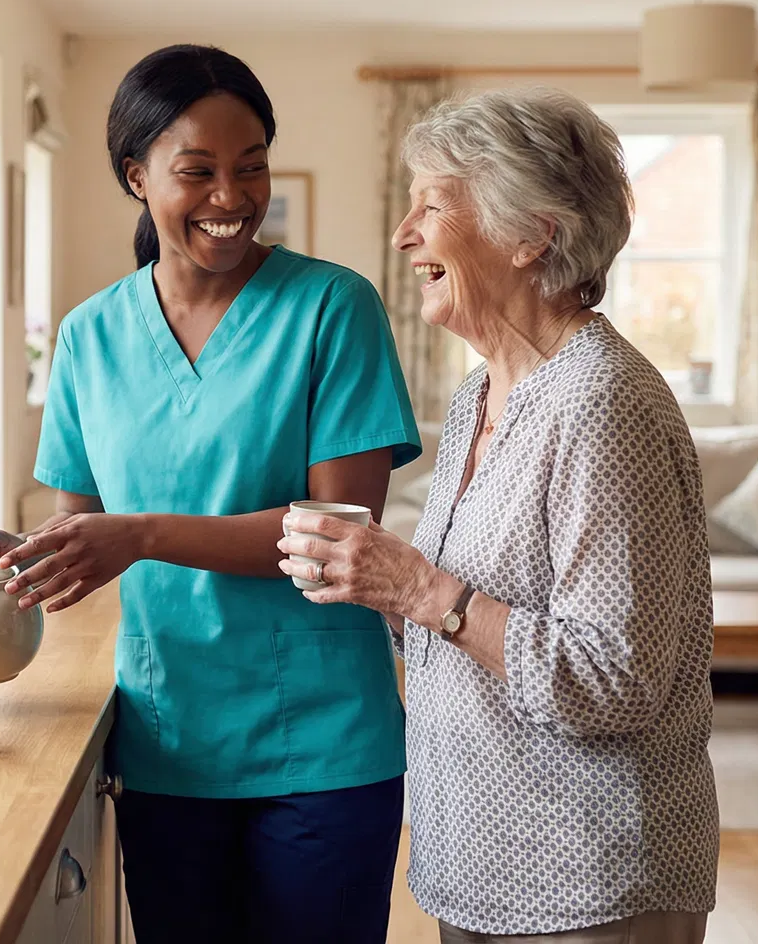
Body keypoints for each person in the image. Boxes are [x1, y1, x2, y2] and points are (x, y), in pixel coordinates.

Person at [0, 44, 421, 944]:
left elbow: (339, 537)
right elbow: (85, 525)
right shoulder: (89, 336)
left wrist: (141, 536)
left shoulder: (334, 308)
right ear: (137, 176)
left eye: (251, 167)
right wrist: (28, 557)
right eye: (198, 171)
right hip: (169, 733)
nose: (231, 196)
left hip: (320, 742)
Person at [277, 88, 719, 943]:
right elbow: (467, 622)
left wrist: (420, 590)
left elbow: (614, 681)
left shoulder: (602, 403)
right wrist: (375, 583)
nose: (403, 234)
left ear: (531, 236)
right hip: (482, 864)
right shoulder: (481, 393)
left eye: (432, 206)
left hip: (588, 877)